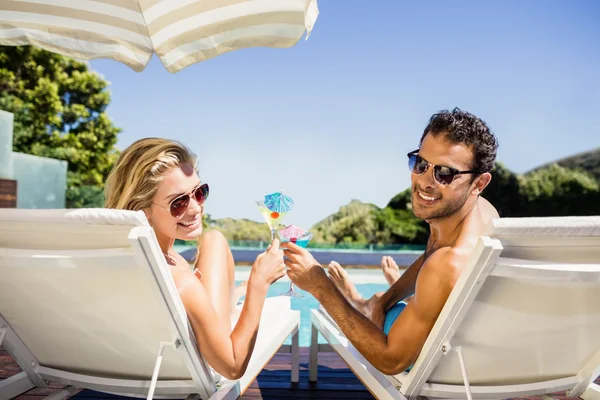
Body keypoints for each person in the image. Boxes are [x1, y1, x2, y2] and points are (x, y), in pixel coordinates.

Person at [283, 108, 500, 374]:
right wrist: (384, 302)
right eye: (420, 164)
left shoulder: (449, 262)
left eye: (444, 173)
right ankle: (370, 304)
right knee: (381, 301)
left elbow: (391, 361)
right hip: (471, 350)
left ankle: (361, 304)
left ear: (479, 183)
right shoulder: (483, 214)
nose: (424, 182)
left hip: (435, 362)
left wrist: (321, 286)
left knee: (384, 309)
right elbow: (433, 257)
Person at [104, 138, 286, 380]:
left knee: (213, 239)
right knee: (214, 239)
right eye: (178, 203)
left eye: (200, 193)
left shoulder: (118, 259)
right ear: (142, 210)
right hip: (203, 366)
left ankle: (232, 300)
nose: (196, 209)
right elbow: (232, 367)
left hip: (134, 364)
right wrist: (258, 283)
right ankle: (235, 302)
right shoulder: (179, 281)